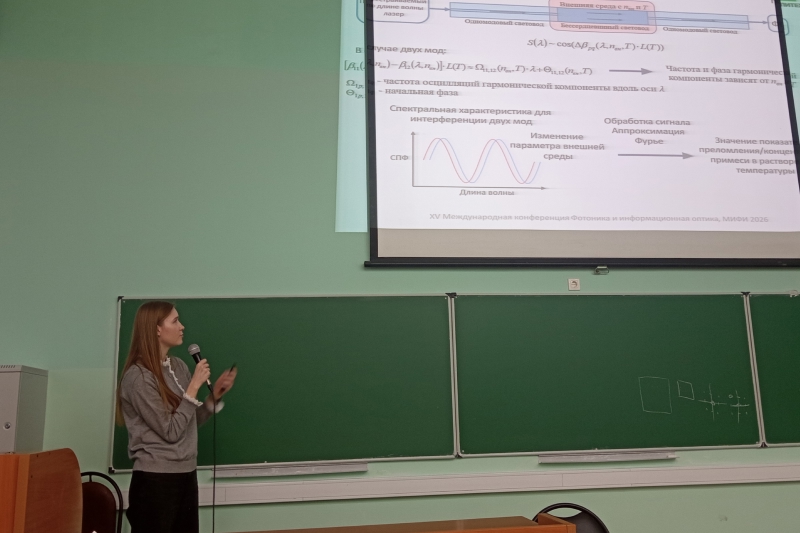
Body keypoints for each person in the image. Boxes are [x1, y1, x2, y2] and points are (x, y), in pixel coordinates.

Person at [116, 301, 237, 533]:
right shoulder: (139, 377)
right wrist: (193, 388)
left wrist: (213, 397)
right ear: (156, 329)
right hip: (155, 481)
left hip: (186, 474)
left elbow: (186, 422)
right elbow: (170, 431)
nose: (182, 326)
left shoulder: (179, 366)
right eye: (175, 321)